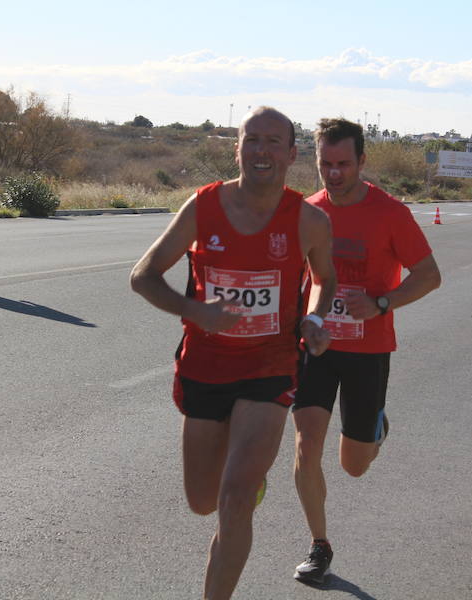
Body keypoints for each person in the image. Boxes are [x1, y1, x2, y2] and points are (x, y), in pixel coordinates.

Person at [130, 107, 337, 600]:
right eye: (252, 140)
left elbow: (325, 279)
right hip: (205, 367)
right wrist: (193, 311)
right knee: (203, 501)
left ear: (291, 154)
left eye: (273, 142)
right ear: (237, 147)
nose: (261, 150)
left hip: (271, 368)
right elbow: (143, 275)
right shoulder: (203, 207)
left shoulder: (309, 220)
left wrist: (314, 319)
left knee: (235, 498)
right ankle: (242, 486)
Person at [291, 118, 441, 585]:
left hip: (368, 348)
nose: (333, 174)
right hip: (317, 345)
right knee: (305, 443)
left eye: (342, 164)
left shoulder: (390, 212)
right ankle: (319, 546)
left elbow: (429, 275)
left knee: (353, 466)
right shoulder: (306, 211)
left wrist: (381, 303)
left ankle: (374, 430)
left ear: (361, 161)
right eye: (324, 165)